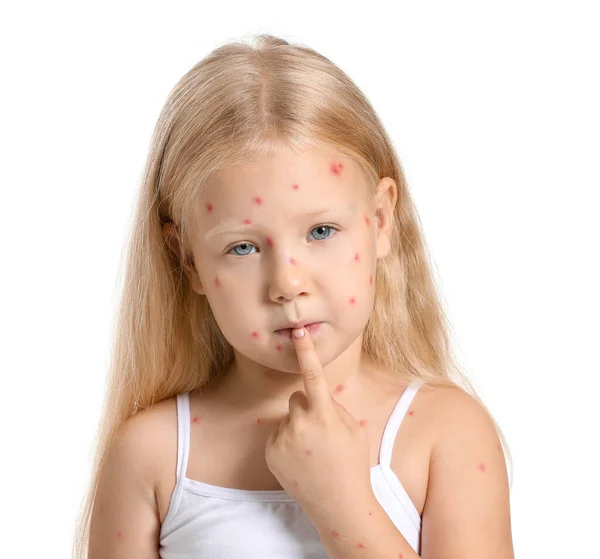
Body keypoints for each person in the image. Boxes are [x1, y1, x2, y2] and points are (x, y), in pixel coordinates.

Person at [74, 34, 515, 558]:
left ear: (380, 220)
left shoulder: (447, 435)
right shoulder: (150, 456)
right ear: (186, 259)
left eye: (322, 232)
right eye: (242, 247)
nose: (287, 283)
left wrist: (345, 504)